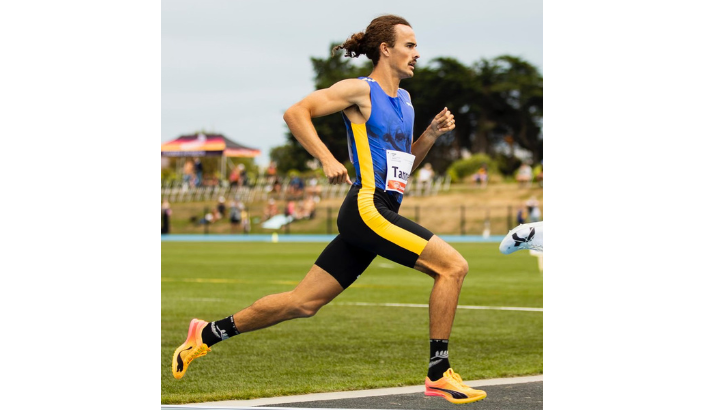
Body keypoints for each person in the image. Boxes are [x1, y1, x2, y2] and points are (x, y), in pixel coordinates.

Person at [171, 15, 486, 405]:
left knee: (302, 303)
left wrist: (431, 135)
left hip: (382, 209)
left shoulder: (405, 102)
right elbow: (295, 112)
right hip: (366, 207)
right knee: (452, 266)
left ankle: (205, 334)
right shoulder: (359, 90)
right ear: (385, 50)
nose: (417, 53)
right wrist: (326, 158)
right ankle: (438, 373)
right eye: (409, 45)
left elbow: (403, 166)